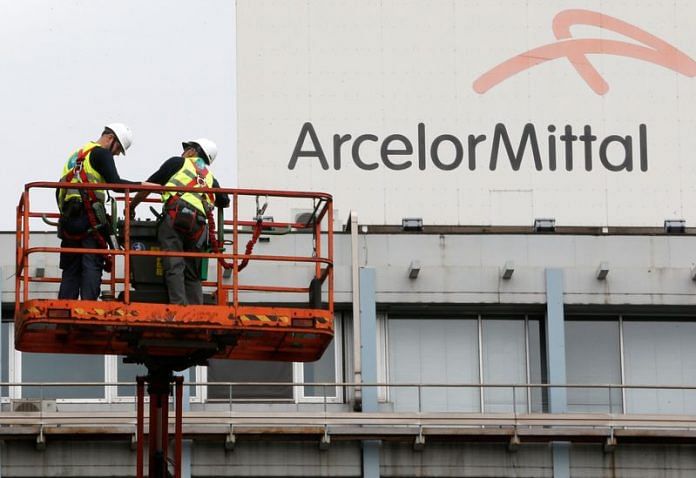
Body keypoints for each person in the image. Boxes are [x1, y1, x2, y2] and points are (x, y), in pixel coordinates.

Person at [129, 139, 229, 305]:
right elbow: (225, 201)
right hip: (199, 225)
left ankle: (179, 307)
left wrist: (132, 206)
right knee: (193, 271)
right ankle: (196, 308)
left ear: (192, 151)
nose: (183, 153)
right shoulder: (210, 178)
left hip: (177, 216)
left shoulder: (177, 163)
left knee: (174, 263)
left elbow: (149, 185)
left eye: (186, 149)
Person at [57, 123, 140, 300]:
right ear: (110, 138)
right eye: (118, 148)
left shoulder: (77, 156)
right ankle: (88, 308)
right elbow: (116, 184)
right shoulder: (101, 153)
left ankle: (63, 311)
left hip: (69, 220)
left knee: (71, 267)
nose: (117, 153)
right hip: (89, 218)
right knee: (91, 263)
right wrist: (143, 186)